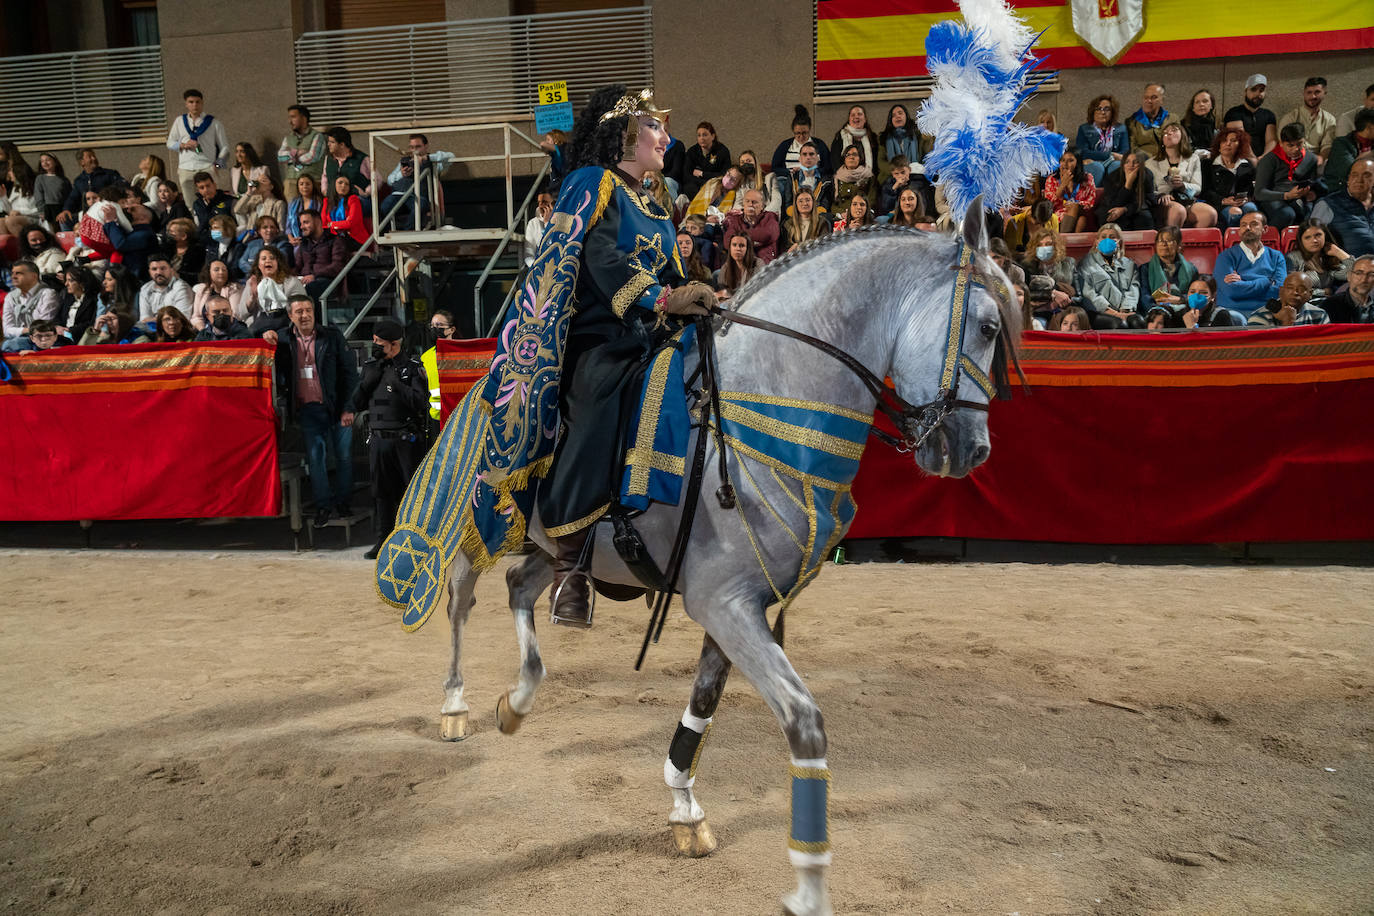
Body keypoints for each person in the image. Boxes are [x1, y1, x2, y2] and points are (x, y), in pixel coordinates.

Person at [263, 295, 359, 527]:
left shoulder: (332, 336)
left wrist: (349, 407)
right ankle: (323, 507)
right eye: (299, 312)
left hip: (336, 407)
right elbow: (255, 336)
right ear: (290, 315)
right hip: (308, 410)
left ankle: (344, 503)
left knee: (344, 457)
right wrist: (265, 335)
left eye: (308, 310)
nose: (304, 315)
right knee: (316, 459)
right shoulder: (284, 339)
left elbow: (350, 374)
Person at [352, 318, 428, 560]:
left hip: (405, 441)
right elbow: (356, 403)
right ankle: (383, 540)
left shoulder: (412, 367)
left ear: (393, 344)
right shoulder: (371, 366)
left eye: (379, 342)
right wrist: (367, 383)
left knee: (411, 493)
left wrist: (398, 386)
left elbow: (420, 403)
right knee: (382, 494)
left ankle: (416, 542)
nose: (374, 346)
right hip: (378, 440)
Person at [1214, 210, 1286, 316]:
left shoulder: (1276, 256)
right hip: (1232, 313)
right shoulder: (1226, 257)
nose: (1247, 228)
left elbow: (1278, 292)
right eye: (1243, 225)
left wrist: (1242, 283)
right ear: (1239, 231)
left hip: (1266, 313)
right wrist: (1267, 281)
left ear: (1265, 229)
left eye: (1253, 224)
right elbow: (1232, 291)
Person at [1145, 123, 1217, 228]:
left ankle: (1193, 243)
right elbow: (1148, 190)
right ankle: (1172, 241)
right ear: (1162, 141)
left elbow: (1197, 188)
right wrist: (1161, 195)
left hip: (1185, 200)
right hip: (1164, 201)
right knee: (1178, 210)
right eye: (1165, 132)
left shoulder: (1193, 159)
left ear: (1182, 136)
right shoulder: (1150, 163)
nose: (1169, 133)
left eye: (1174, 130)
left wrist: (1182, 185)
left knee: (1209, 214)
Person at [1076, 223, 1143, 329]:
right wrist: (1116, 314)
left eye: (1112, 237)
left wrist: (1125, 310)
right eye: (1103, 237)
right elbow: (1089, 294)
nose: (1107, 240)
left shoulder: (1129, 264)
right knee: (1121, 325)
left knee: (1138, 322)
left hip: (1125, 310)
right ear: (1097, 241)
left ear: (1119, 241)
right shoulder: (1086, 263)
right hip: (1098, 312)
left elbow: (1133, 289)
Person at [382, 133, 455, 231]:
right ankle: (386, 237)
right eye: (412, 147)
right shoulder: (404, 161)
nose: (414, 150)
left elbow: (451, 157)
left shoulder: (432, 162)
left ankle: (407, 235)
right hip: (398, 195)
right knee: (383, 208)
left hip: (417, 197)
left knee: (420, 206)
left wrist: (426, 158)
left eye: (418, 147)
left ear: (426, 146)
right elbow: (390, 180)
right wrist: (401, 174)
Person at [1253, 123, 1321, 229]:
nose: (1296, 149)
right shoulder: (1270, 160)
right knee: (1287, 214)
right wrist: (1286, 195)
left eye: (1299, 144)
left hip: (1299, 197)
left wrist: (1311, 192)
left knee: (1311, 215)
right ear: (1281, 144)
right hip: (1274, 197)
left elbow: (1313, 182)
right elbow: (1259, 193)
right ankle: (1267, 239)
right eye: (1290, 145)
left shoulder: (1311, 159)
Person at [166, 89, 229, 201]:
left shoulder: (214, 123)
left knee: (213, 200)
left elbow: (225, 147)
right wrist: (183, 145)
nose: (194, 105)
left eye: (197, 102)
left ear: (202, 103)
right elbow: (169, 143)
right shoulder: (179, 121)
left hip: (207, 166)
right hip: (186, 167)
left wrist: (217, 165)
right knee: (190, 204)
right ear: (186, 104)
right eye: (191, 102)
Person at [1310, 157, 1374, 257]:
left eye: (1366, 175)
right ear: (1348, 179)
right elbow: (1311, 243)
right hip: (1348, 267)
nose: (1359, 180)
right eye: (1354, 175)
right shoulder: (1328, 204)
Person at [1202, 127, 1259, 229]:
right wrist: (1223, 200)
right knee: (1235, 213)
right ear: (1219, 146)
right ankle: (1233, 240)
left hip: (1241, 203)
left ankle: (1249, 240)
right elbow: (1205, 191)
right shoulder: (1208, 165)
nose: (1228, 144)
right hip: (1218, 203)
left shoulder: (1246, 165)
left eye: (1233, 141)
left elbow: (1252, 190)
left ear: (1240, 146)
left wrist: (1246, 199)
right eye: (1224, 141)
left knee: (1251, 209)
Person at [1137, 226, 1198, 314]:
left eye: (1169, 241)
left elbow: (1196, 295)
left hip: (1184, 310)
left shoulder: (1191, 270)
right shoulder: (1145, 268)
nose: (1163, 244)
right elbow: (1144, 296)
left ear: (1179, 245)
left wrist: (1180, 299)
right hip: (1157, 311)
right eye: (1160, 241)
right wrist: (1157, 310)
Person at [55, 149, 122, 231]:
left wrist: (102, 196)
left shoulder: (109, 174)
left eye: (94, 156)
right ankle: (74, 242)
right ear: (82, 162)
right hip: (86, 213)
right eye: (90, 157)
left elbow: (122, 186)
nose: (94, 158)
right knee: (64, 219)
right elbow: (72, 198)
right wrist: (66, 209)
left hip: (106, 211)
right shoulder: (79, 180)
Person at [2, 260, 60, 351]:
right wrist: (26, 330)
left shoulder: (47, 294)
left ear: (34, 276)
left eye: (19, 273)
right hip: (17, 340)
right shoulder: (10, 297)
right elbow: (7, 330)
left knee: (9, 345)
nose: (13, 276)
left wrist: (20, 331)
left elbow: (42, 327)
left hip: (41, 341)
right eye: (12, 273)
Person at [1287, 219, 1352, 299]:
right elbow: (1291, 289)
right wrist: (1323, 292)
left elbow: (1356, 275)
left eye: (1318, 235)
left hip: (1326, 304)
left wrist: (1339, 252)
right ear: (1301, 241)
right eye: (1307, 237)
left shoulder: (1327, 258)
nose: (1314, 240)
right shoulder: (1293, 258)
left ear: (1325, 236)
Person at [1278, 77, 1336, 164]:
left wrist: (1320, 158)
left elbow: (1327, 145)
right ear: (1304, 94)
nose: (1313, 96)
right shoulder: (1290, 117)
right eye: (1309, 92)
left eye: (1317, 92)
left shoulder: (1329, 119)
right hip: (1293, 160)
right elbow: (1283, 143)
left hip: (1318, 162)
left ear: (1324, 93)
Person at [243, 246, 308, 323]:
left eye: (272, 258)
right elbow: (241, 314)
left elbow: (302, 308)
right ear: (259, 265)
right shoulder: (252, 283)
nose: (268, 261)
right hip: (257, 328)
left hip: (284, 325)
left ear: (278, 263)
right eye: (264, 259)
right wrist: (252, 298)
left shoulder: (292, 283)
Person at [1021, 227, 1076, 317]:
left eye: (1048, 244)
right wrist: (1052, 294)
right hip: (1038, 312)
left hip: (1065, 310)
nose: (1043, 248)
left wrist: (1066, 299)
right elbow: (1025, 294)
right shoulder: (1027, 266)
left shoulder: (1068, 263)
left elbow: (1077, 294)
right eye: (1039, 245)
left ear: (1056, 246)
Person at [1076, 94, 1129, 186]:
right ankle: (1091, 197)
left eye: (1107, 109)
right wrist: (1109, 155)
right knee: (1097, 167)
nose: (1103, 112)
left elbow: (1124, 152)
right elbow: (1083, 152)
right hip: (1092, 162)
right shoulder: (1084, 129)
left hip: (1113, 162)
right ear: (1093, 112)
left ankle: (1114, 198)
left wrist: (1116, 157)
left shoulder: (1121, 129)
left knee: (1117, 166)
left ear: (1112, 112)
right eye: (1098, 109)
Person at [1094, 151, 1154, 231]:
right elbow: (1113, 204)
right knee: (1113, 217)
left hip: (1135, 209)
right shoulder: (1112, 177)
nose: (1131, 165)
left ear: (1141, 164)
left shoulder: (1147, 174)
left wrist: (1125, 209)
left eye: (1135, 162)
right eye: (1127, 162)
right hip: (1112, 207)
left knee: (1145, 217)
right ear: (1122, 164)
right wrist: (1128, 185)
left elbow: (1148, 199)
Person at [295, 209, 347, 301]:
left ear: (318, 222)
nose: (302, 227)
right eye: (301, 224)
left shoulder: (335, 240)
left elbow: (337, 267)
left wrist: (314, 275)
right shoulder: (304, 244)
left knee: (311, 288)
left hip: (328, 282)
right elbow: (297, 266)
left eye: (306, 222)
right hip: (304, 281)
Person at [277, 104, 326, 199]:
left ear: (304, 118)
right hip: (291, 183)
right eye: (289, 117)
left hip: (312, 182)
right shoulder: (288, 138)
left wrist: (290, 154)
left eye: (293, 117)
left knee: (312, 211)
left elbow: (312, 157)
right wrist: (297, 153)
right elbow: (281, 158)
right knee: (292, 212)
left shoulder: (317, 136)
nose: (290, 121)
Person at [771, 104, 833, 180]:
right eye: (797, 133)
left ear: (809, 130)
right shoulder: (785, 145)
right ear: (793, 131)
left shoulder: (819, 144)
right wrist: (791, 171)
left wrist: (811, 171)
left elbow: (828, 167)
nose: (801, 136)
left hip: (815, 179)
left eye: (804, 133)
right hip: (790, 180)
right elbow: (775, 168)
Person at [1042, 147, 1097, 233]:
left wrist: (1075, 204)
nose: (1065, 164)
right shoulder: (1052, 179)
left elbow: (1091, 201)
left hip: (1081, 211)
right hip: (1058, 216)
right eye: (1063, 160)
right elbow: (1048, 205)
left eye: (1070, 160)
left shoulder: (1088, 178)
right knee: (1081, 221)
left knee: (1077, 211)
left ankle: (1063, 242)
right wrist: (1062, 186)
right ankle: (1069, 242)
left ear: (1077, 162)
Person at [1225, 74, 1278, 158]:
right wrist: (1253, 160)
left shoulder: (1269, 115)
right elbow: (1240, 140)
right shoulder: (1234, 113)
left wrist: (1263, 158)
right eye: (1253, 89)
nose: (1258, 93)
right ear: (1246, 91)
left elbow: (1271, 141)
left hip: (1264, 159)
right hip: (1240, 159)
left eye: (1261, 90)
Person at [1247, 273, 1329, 327]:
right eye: (1290, 288)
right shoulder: (1260, 316)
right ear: (1281, 291)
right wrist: (1287, 323)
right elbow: (1260, 351)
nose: (1295, 292)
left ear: (1310, 294)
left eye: (1301, 289)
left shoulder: (1320, 315)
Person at [722, 189, 781, 263]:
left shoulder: (769, 217)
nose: (750, 204)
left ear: (762, 206)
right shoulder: (736, 220)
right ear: (743, 204)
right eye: (747, 201)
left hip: (764, 265)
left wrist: (742, 239)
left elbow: (768, 235)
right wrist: (755, 241)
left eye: (754, 202)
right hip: (741, 264)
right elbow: (728, 242)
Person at [104, 203, 160, 281]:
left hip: (136, 282)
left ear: (143, 218)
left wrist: (110, 222)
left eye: (133, 209)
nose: (127, 210)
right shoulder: (128, 231)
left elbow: (121, 244)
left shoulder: (146, 233)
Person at [777, 140, 831, 215]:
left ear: (818, 158)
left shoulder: (826, 180)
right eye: (804, 154)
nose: (808, 157)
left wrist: (812, 216)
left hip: (818, 217)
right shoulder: (792, 177)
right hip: (795, 217)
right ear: (800, 158)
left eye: (811, 154)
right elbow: (788, 203)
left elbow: (825, 205)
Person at [138, 254, 194, 323]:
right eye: (154, 269)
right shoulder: (145, 288)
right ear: (149, 272)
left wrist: (153, 320)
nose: (158, 272)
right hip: (150, 330)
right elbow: (144, 320)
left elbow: (182, 319)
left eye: (163, 268)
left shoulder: (181, 288)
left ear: (171, 270)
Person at [1326, 110, 1374, 191]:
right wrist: (1371, 153)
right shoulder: (1341, 144)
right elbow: (1351, 171)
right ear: (1368, 128)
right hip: (1341, 190)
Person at [682, 121, 730, 202]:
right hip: (696, 184)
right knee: (689, 188)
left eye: (705, 135)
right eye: (699, 135)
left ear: (713, 136)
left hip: (715, 184)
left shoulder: (722, 151)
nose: (702, 138)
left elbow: (725, 174)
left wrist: (702, 174)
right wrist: (703, 183)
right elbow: (686, 175)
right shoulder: (692, 151)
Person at [322, 127, 373, 203]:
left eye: (332, 142)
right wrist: (325, 191)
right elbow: (324, 177)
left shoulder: (361, 158)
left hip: (357, 200)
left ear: (342, 144)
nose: (328, 144)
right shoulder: (328, 159)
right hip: (334, 200)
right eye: (328, 141)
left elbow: (377, 180)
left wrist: (366, 193)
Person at [1318, 255, 1374, 323]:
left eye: (1371, 275)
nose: (1364, 280)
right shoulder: (1330, 305)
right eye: (1358, 273)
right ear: (1349, 276)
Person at [191, 259, 245, 328]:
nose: (221, 272)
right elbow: (196, 317)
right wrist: (203, 331)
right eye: (216, 270)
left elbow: (235, 315)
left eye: (224, 270)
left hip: (228, 329)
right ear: (208, 272)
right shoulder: (202, 289)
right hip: (205, 329)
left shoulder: (234, 288)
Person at [1127, 83, 1176, 159]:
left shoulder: (1172, 119)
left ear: (1162, 100)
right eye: (1146, 97)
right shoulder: (1132, 121)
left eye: (1154, 97)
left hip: (1169, 158)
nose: (1149, 101)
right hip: (1144, 160)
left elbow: (1178, 143)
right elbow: (1133, 148)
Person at [238, 214, 294, 280]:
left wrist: (257, 269)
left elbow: (279, 263)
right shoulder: (252, 244)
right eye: (265, 227)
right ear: (259, 231)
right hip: (251, 279)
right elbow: (242, 262)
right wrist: (257, 271)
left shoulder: (283, 244)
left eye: (272, 227)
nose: (269, 230)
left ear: (277, 229)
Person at [878, 103, 924, 181]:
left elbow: (926, 157)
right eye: (894, 115)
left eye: (900, 113)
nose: (897, 116)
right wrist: (898, 171)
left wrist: (912, 170)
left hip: (916, 174)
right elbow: (881, 162)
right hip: (892, 176)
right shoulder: (884, 138)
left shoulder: (918, 135)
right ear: (891, 120)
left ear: (906, 116)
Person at [324, 175, 370, 250]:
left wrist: (331, 224)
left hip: (354, 238)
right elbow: (323, 223)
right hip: (334, 236)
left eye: (347, 184)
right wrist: (342, 224)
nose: (343, 186)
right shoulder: (327, 201)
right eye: (340, 183)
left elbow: (350, 223)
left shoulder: (354, 199)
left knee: (335, 244)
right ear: (334, 185)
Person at [57, 265, 101, 342]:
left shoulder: (93, 300)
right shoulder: (68, 298)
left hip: (80, 338)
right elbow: (57, 317)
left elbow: (91, 323)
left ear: (82, 283)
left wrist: (70, 330)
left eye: (70, 281)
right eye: (66, 280)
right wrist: (58, 327)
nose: (66, 284)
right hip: (62, 335)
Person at [781, 187, 831, 253]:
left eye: (808, 200)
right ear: (796, 204)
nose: (805, 203)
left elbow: (825, 248)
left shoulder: (822, 222)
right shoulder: (787, 224)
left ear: (813, 202)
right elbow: (785, 249)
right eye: (800, 201)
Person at [831, 105, 879, 173]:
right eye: (853, 115)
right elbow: (835, 161)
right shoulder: (840, 137)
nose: (856, 117)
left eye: (859, 114)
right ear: (849, 119)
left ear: (865, 119)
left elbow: (876, 162)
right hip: (845, 178)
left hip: (869, 178)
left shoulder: (873, 137)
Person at [190, 171, 235, 241]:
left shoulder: (230, 200)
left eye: (208, 186)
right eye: (202, 188)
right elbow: (198, 227)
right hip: (207, 241)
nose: (206, 190)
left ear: (214, 185)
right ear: (198, 190)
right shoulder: (197, 205)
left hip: (228, 239)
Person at [712, 232, 757, 298]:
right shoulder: (727, 265)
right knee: (716, 274)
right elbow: (723, 289)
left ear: (748, 249)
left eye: (742, 245)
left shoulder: (758, 263)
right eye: (734, 245)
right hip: (732, 299)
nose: (737, 249)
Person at [831, 145, 875, 213]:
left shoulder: (869, 177)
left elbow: (872, 200)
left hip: (863, 214)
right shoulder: (837, 178)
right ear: (844, 159)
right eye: (848, 155)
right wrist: (842, 213)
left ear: (860, 158)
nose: (851, 157)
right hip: (842, 215)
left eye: (855, 154)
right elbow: (834, 204)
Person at [285, 173, 326, 245]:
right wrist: (291, 239)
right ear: (298, 187)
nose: (304, 186)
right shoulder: (293, 204)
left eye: (307, 184)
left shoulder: (320, 202)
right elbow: (288, 226)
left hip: (316, 239)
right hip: (297, 240)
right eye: (301, 184)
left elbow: (322, 222)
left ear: (313, 185)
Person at [33, 152, 71, 228]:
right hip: (48, 210)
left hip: (61, 209)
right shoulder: (40, 178)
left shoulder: (63, 179)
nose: (45, 163)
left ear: (55, 162)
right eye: (42, 161)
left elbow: (69, 197)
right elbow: (38, 196)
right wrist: (42, 211)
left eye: (47, 160)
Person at [1181, 89, 1220, 157]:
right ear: (1193, 107)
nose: (1201, 104)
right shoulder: (1183, 125)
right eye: (1197, 102)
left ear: (1212, 105)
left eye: (1205, 101)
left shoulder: (1219, 125)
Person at [523, 190, 554, 266]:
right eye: (539, 202)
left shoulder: (562, 220)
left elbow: (554, 244)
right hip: (538, 266)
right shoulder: (533, 223)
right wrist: (535, 267)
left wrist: (547, 223)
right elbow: (528, 252)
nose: (540, 205)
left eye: (544, 202)